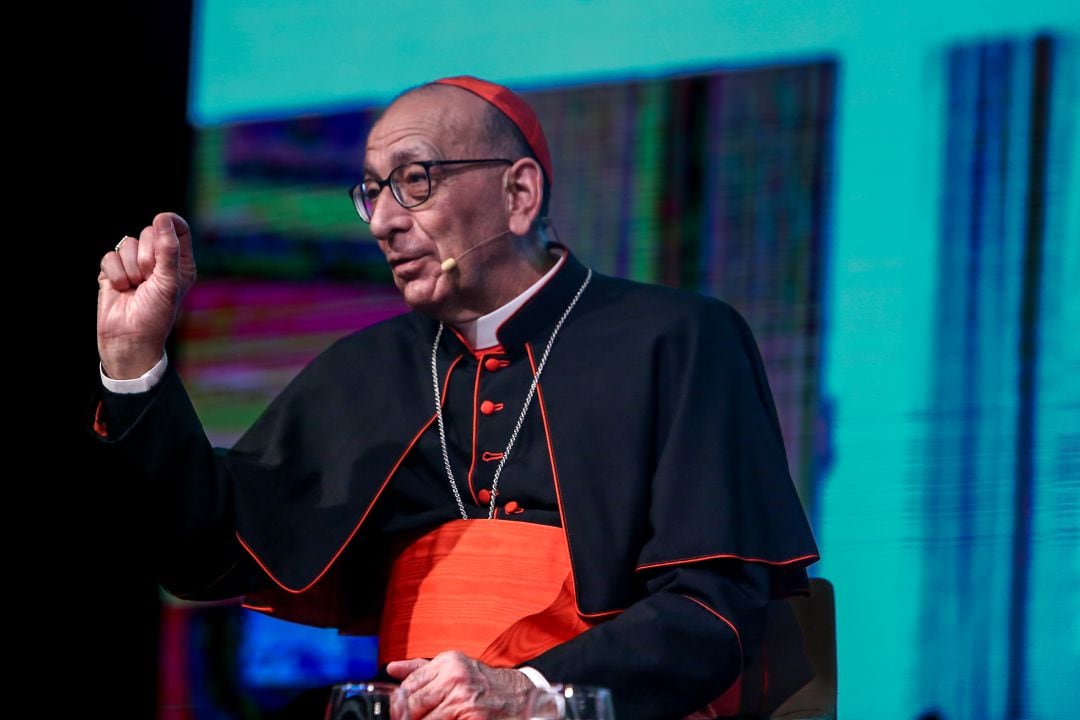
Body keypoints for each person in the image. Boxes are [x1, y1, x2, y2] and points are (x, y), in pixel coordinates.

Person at [92, 76, 819, 720]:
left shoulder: (680, 337)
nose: (382, 221)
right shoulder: (365, 369)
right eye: (372, 192)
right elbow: (204, 557)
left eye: (415, 180)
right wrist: (133, 364)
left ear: (519, 193)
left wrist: (534, 691)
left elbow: (715, 607)